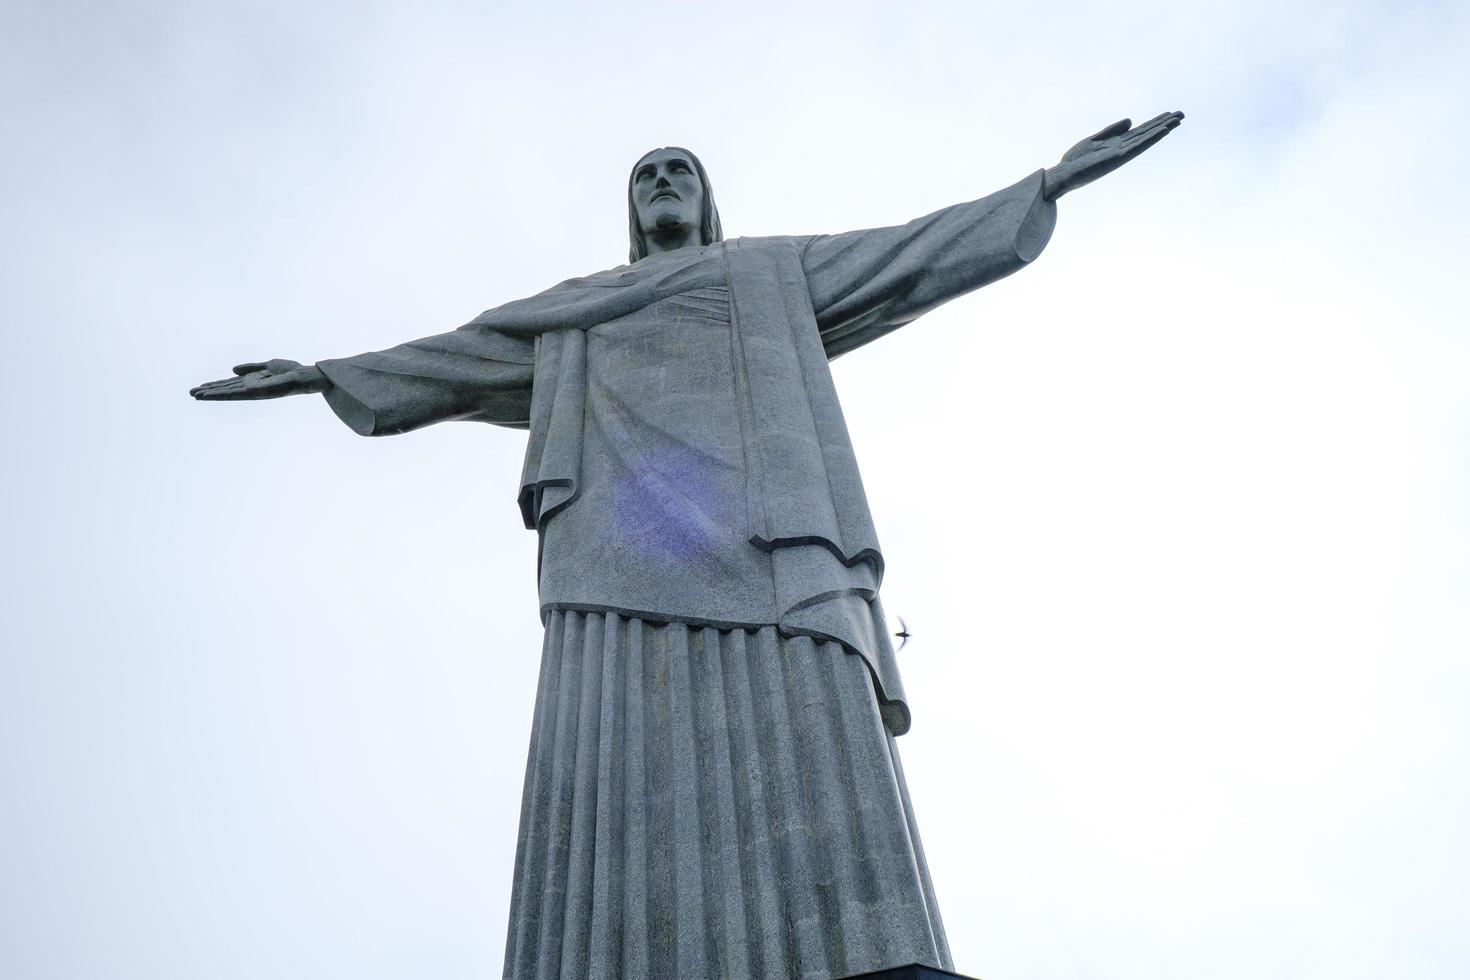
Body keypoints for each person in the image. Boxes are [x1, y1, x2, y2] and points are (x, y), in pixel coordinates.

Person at [192, 111, 1183, 980]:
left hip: (775, 545)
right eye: (646, 174)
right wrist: (322, 374)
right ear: (631, 209)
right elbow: (451, 357)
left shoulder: (770, 272)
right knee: (615, 748)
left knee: (813, 726)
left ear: (708, 200)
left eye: (681, 170)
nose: (664, 182)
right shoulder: (571, 309)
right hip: (610, 565)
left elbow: (910, 254)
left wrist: (1046, 183)